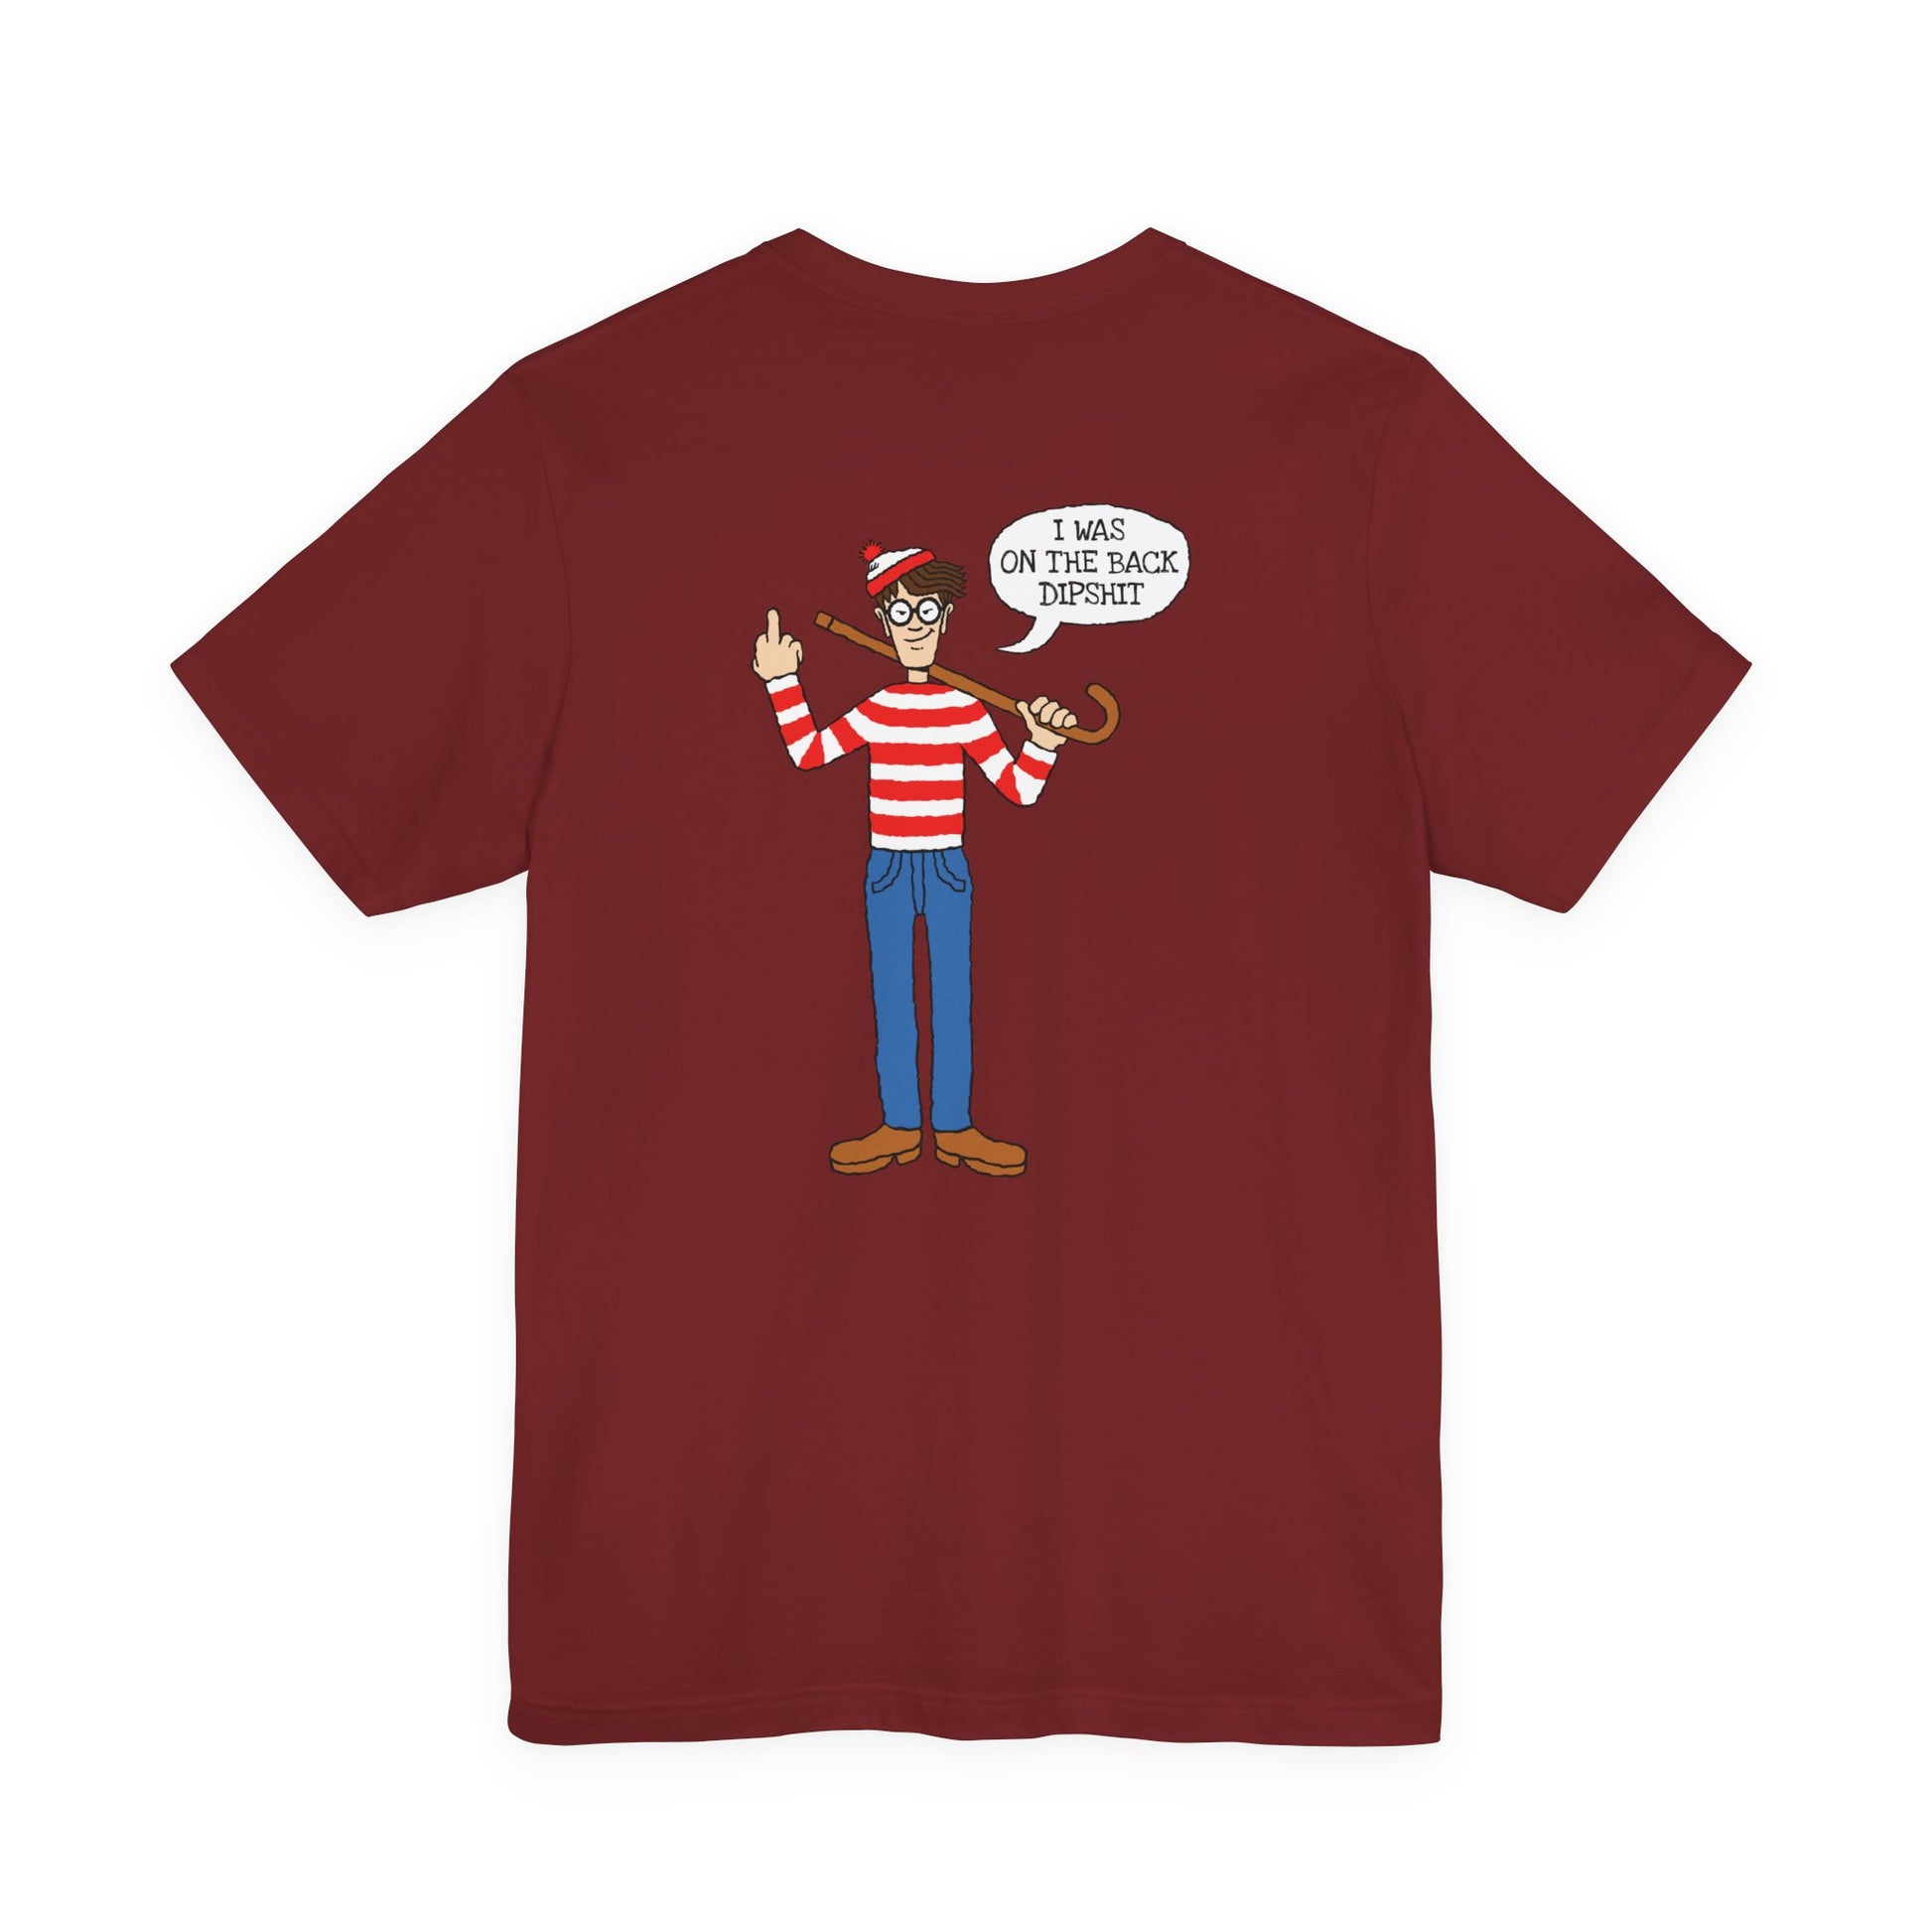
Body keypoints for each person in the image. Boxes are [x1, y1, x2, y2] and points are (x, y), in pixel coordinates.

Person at [754, 543, 1078, 1175]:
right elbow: (810, 753)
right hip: (889, 869)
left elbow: (1018, 789)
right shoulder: (879, 708)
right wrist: (782, 681)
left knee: (952, 997)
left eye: (927, 610)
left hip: (948, 868)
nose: (915, 626)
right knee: (892, 998)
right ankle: (899, 1125)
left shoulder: (966, 709)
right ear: (883, 623)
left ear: (946, 618)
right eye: (901, 613)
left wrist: (1041, 743)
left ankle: (954, 1128)